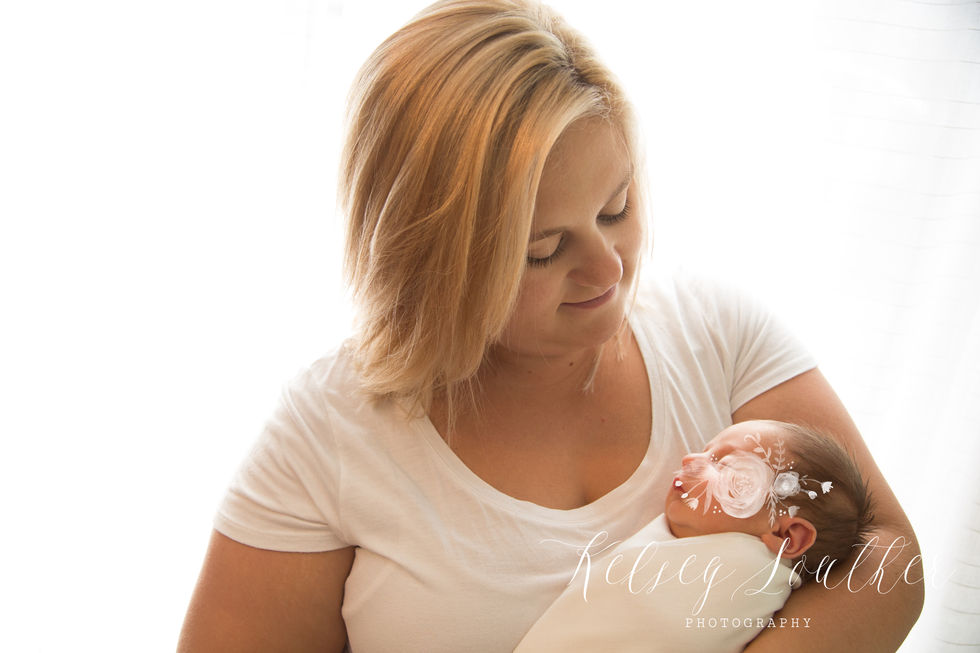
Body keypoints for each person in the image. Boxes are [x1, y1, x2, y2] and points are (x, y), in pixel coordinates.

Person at [177, 1, 923, 651]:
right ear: (430, 263)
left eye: (616, 208)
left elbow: (888, 557)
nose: (607, 271)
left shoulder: (717, 335)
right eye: (542, 250)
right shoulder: (330, 430)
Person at [512, 419, 875, 652]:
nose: (689, 459)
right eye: (705, 451)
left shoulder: (748, 579)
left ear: (788, 536)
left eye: (724, 464)